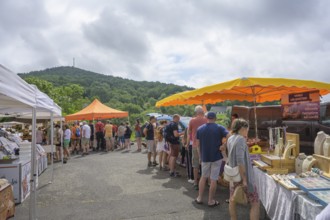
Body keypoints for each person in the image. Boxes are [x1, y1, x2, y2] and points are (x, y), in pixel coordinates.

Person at [195, 112, 229, 207]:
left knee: (203, 177)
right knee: (213, 179)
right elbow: (229, 136)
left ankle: (200, 198)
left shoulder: (200, 129)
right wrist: (224, 145)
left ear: (206, 118)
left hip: (205, 157)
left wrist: (200, 157)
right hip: (216, 157)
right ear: (215, 118)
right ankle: (211, 201)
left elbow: (197, 145)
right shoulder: (220, 127)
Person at [227, 118, 259, 220]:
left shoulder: (230, 138)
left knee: (233, 199)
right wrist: (244, 179)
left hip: (233, 176)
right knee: (255, 203)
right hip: (242, 177)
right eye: (247, 128)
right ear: (242, 128)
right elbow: (240, 160)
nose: (247, 131)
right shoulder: (240, 139)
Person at [188, 105, 208, 190]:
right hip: (206, 145)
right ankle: (205, 181)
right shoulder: (206, 120)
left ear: (196, 112)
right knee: (205, 164)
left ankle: (196, 182)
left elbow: (189, 133)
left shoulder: (192, 120)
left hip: (195, 145)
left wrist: (188, 143)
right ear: (202, 112)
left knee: (195, 164)